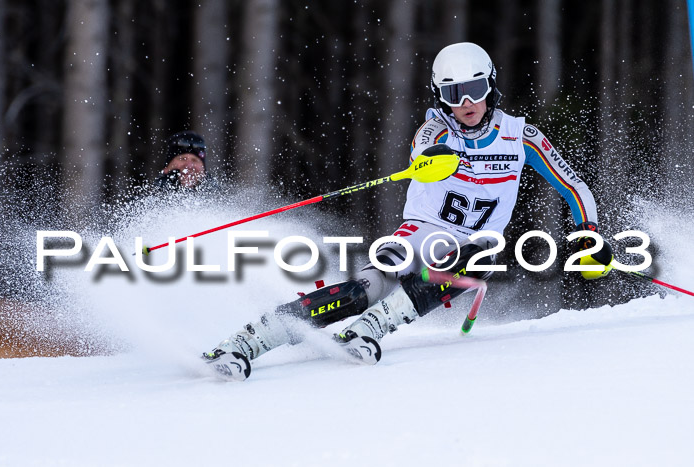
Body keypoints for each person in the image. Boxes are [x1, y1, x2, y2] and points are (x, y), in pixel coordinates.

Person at [203, 42, 614, 375]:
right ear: (441, 96)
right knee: (362, 290)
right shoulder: (436, 127)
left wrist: (589, 232)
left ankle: (369, 331)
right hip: (421, 232)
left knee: (476, 258)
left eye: (476, 89)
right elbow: (422, 146)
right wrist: (433, 158)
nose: (467, 102)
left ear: (491, 86)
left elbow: (573, 184)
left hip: (474, 246)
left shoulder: (520, 135)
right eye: (454, 94)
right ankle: (250, 339)